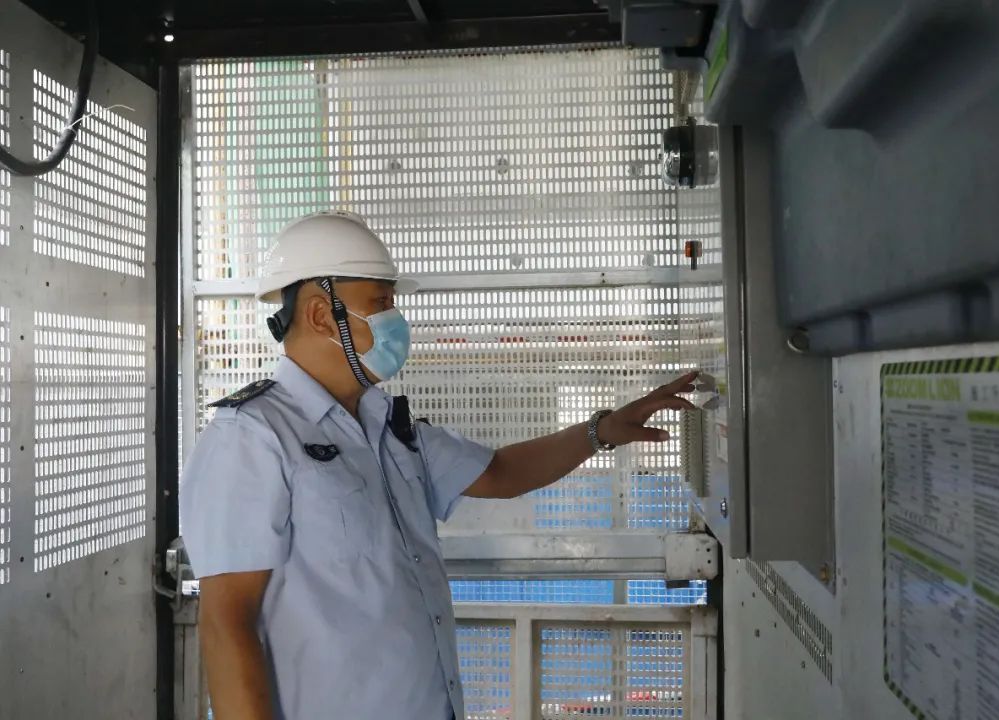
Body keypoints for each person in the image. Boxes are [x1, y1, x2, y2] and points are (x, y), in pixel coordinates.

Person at [179, 210, 697, 720]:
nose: (395, 321)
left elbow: (501, 473)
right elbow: (227, 623)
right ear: (320, 315)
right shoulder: (252, 436)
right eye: (380, 303)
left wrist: (600, 431)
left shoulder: (389, 427)